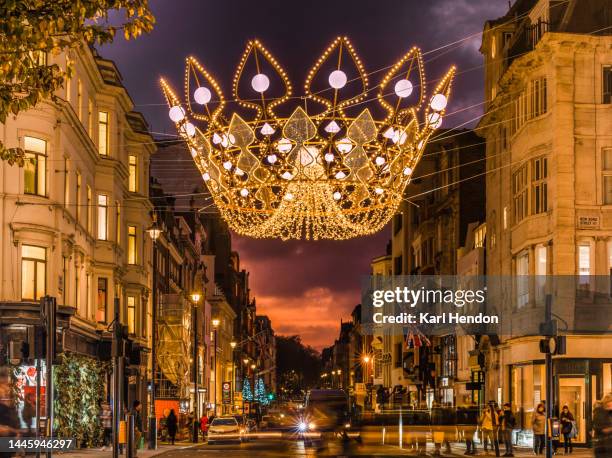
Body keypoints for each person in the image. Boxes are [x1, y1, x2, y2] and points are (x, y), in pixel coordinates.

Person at [593, 394, 612, 458]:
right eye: (610, 402)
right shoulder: (599, 412)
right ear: (606, 403)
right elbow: (601, 429)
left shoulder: (609, 412)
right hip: (601, 445)